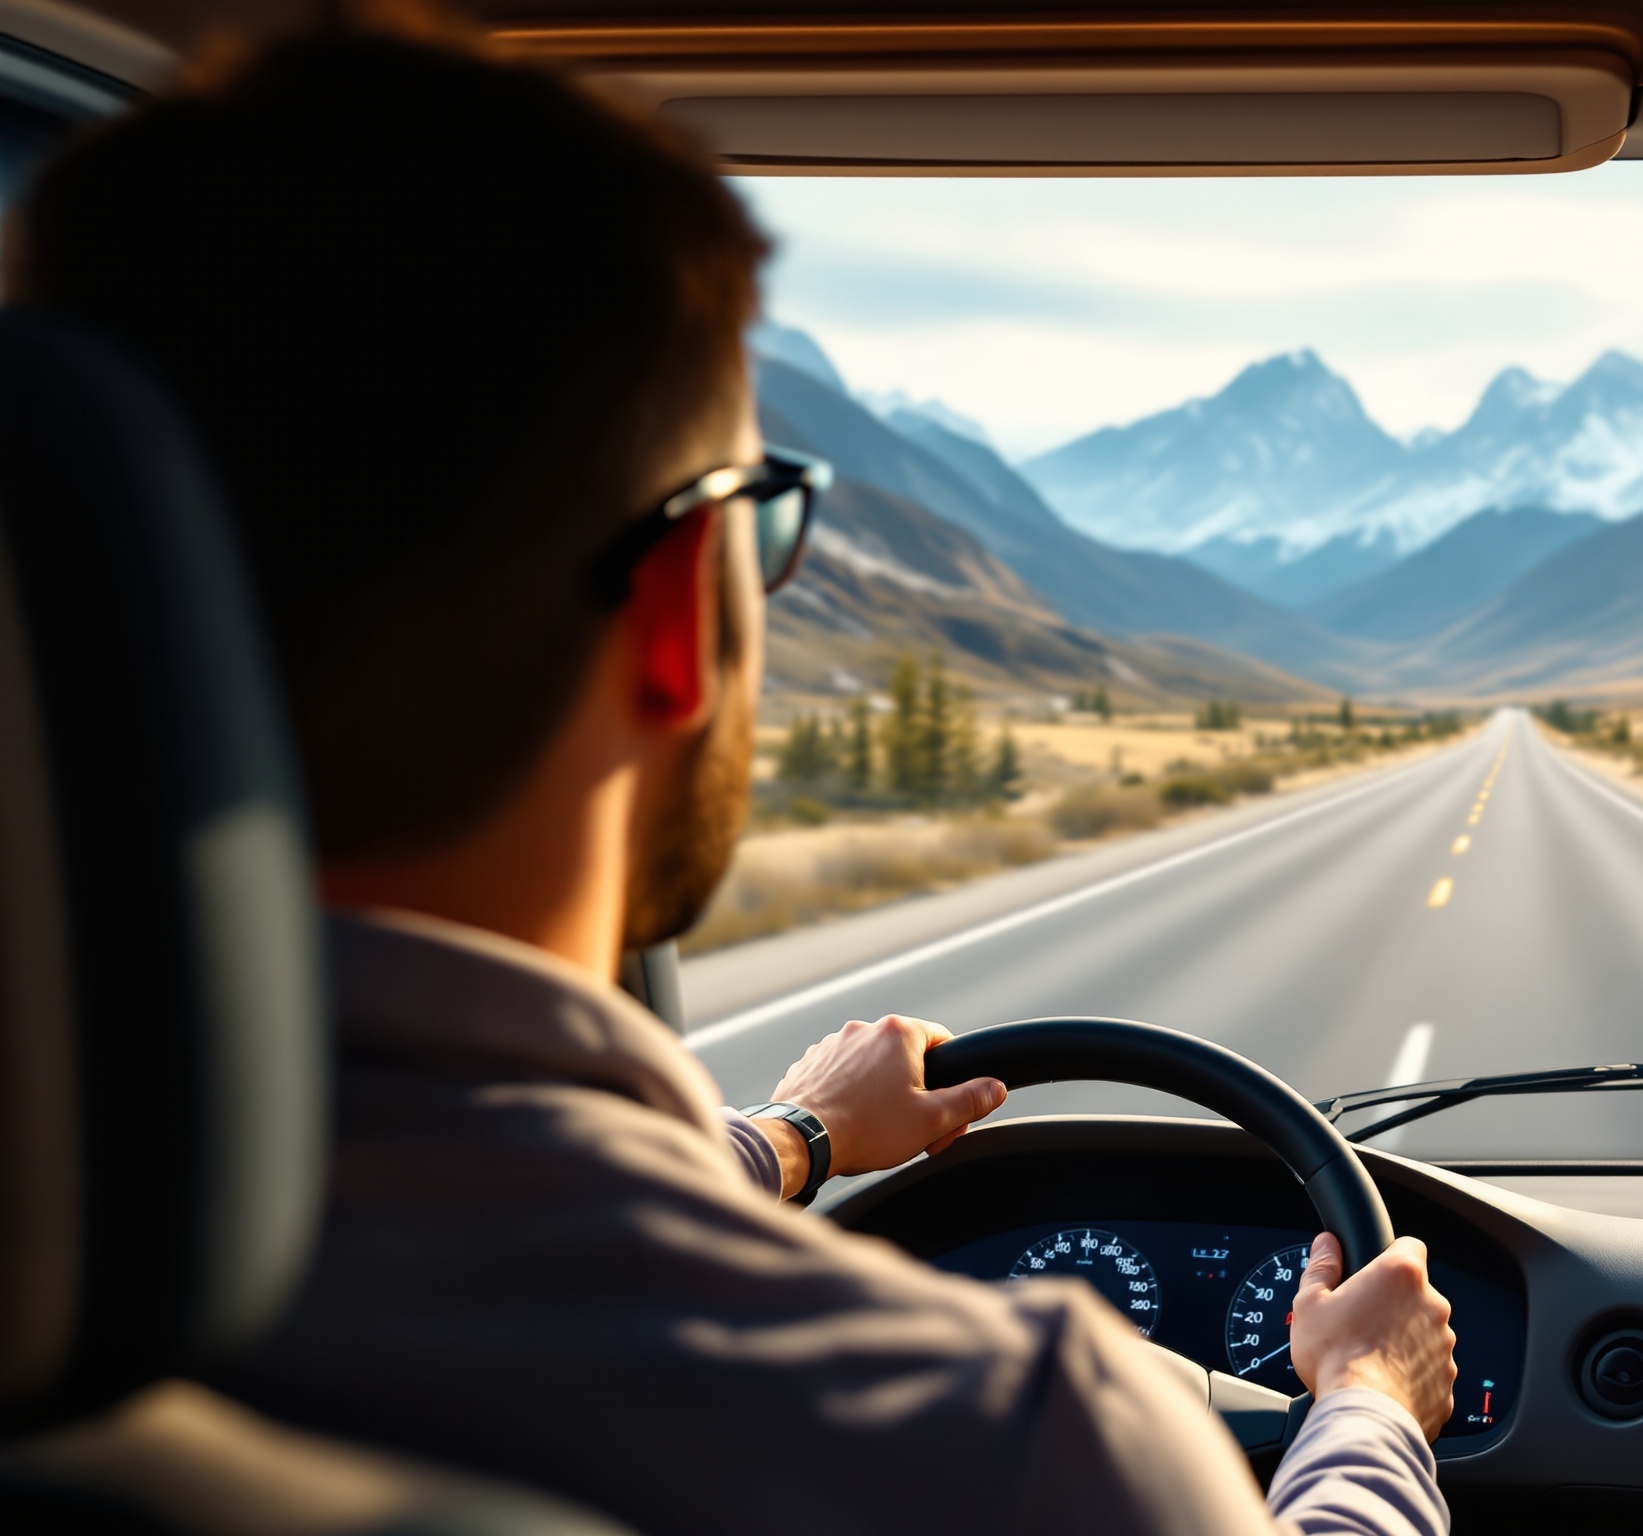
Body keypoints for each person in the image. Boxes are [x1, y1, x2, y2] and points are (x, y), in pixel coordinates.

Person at [3, 23, 1457, 1536]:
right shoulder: (1006, 1448)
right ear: (684, 606)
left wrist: (797, 1138)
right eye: (764, 527)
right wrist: (1364, 1410)